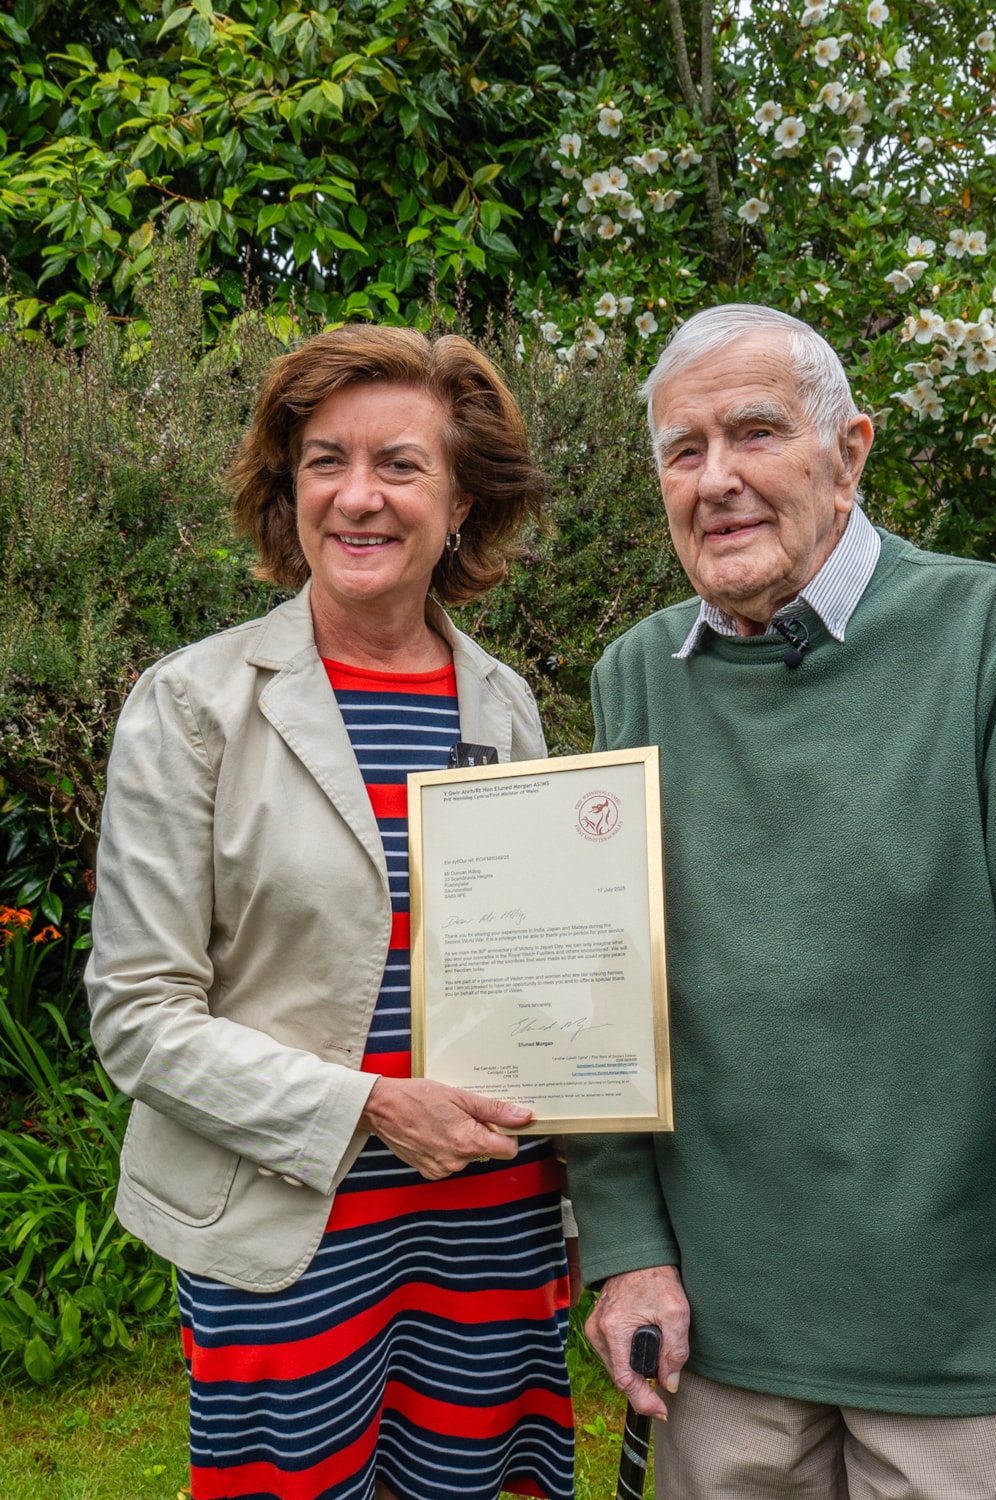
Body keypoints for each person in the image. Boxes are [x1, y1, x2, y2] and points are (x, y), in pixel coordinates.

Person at [568, 302, 996, 1500]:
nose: (717, 481)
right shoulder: (635, 678)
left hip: (962, 1356)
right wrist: (630, 1249)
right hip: (722, 1347)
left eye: (755, 433)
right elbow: (606, 1005)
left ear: (849, 452)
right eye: (681, 452)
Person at [86, 326, 573, 1500]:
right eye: (323, 462)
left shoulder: (505, 705)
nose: (359, 496)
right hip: (290, 1233)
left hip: (488, 1222)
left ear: (460, 502)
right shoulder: (192, 704)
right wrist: (371, 1108)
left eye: (400, 465)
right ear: (286, 489)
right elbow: (137, 1017)